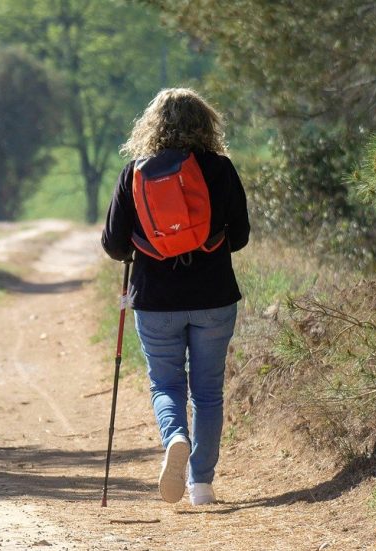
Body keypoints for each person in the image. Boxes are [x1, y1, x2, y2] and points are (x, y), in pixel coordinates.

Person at [101, 88, 250, 506]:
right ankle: (201, 484)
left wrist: (146, 243)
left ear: (152, 124)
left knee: (166, 383)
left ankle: (175, 438)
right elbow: (239, 236)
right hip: (214, 297)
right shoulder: (220, 169)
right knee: (207, 391)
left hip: (154, 299)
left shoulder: (135, 171)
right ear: (207, 124)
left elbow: (113, 245)